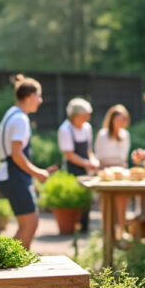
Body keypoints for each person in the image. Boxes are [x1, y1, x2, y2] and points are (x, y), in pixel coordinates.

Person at [0, 74, 52, 250]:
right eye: (38, 95)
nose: (40, 100)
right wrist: (38, 173)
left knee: (27, 223)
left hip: (10, 174)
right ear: (29, 96)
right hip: (14, 175)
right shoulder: (20, 119)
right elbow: (17, 155)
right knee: (30, 224)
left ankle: (12, 262)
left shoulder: (12, 113)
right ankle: (11, 265)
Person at [58, 97, 98, 233]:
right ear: (74, 116)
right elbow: (69, 154)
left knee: (87, 199)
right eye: (84, 116)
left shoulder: (87, 128)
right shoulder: (65, 129)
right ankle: (71, 229)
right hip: (72, 169)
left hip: (86, 169)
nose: (87, 119)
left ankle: (84, 229)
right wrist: (87, 163)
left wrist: (93, 161)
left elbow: (89, 150)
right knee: (75, 200)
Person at [95, 104, 132, 238]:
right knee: (106, 201)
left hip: (121, 171)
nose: (120, 123)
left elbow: (124, 157)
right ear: (111, 120)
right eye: (118, 120)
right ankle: (107, 231)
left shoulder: (125, 135)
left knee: (122, 198)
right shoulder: (102, 135)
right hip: (106, 171)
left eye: (123, 120)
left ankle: (121, 229)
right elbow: (99, 156)